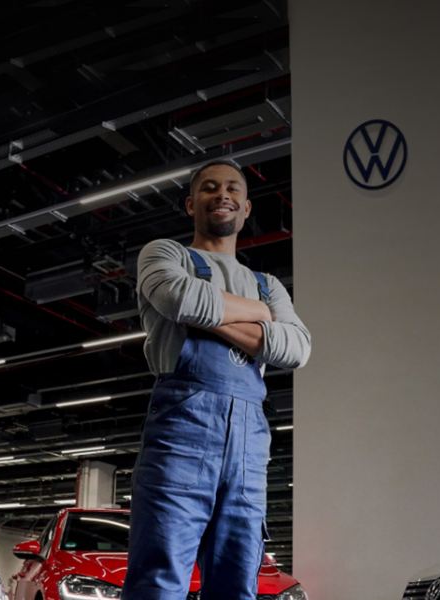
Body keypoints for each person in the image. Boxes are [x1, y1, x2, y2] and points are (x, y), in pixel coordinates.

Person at [122, 160, 311, 600]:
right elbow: (180, 297)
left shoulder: (266, 286)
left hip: (249, 447)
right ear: (191, 204)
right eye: (209, 188)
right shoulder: (164, 254)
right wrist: (263, 321)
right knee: (158, 578)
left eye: (231, 189)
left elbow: (298, 348)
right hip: (182, 431)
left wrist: (211, 316)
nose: (221, 194)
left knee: (237, 582)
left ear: (246, 209)